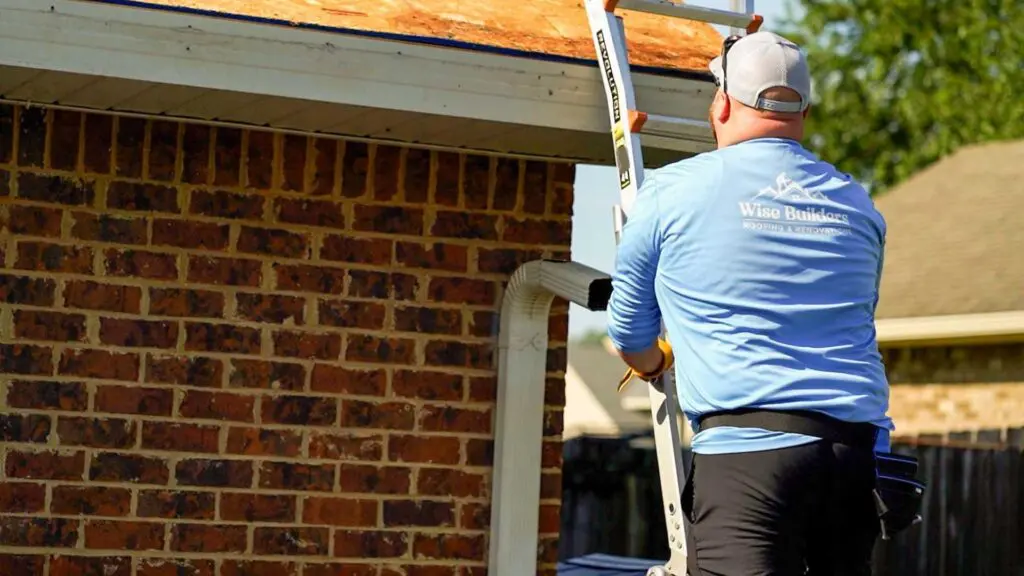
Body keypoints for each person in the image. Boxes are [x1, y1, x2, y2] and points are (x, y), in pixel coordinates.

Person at [606, 31, 894, 575]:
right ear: (803, 110)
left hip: (750, 459)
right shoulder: (857, 204)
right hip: (854, 459)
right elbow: (853, 315)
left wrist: (654, 364)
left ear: (720, 103)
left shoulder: (671, 192)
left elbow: (629, 330)